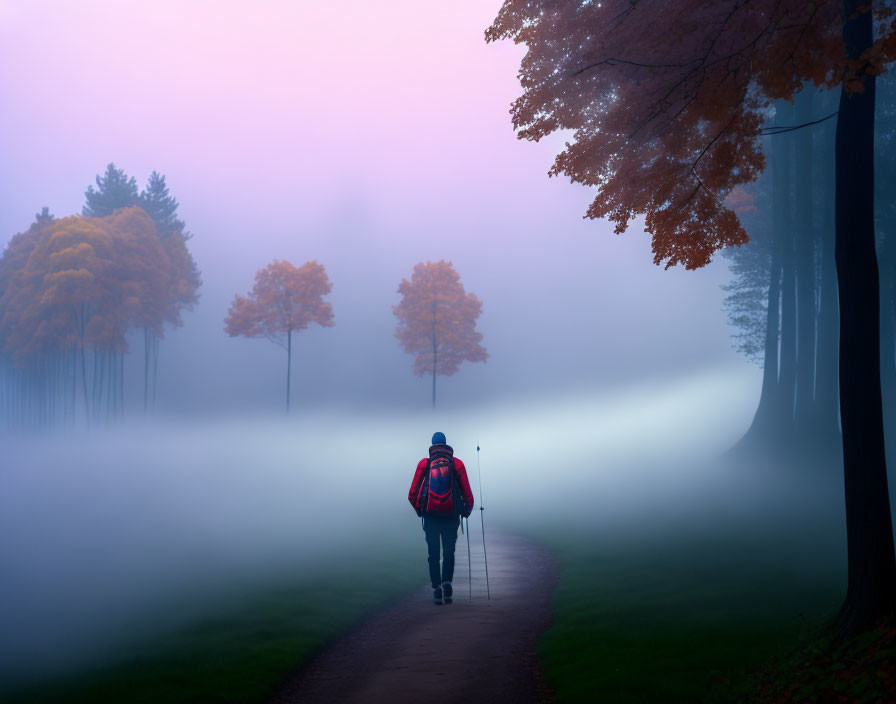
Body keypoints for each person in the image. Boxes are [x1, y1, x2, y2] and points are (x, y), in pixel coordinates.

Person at [407, 431, 475, 605]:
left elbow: (412, 494)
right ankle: (447, 584)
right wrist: (466, 511)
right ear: (446, 444)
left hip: (430, 516)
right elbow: (468, 494)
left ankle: (437, 589)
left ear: (432, 445)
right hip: (451, 516)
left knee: (433, 553)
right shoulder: (457, 463)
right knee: (449, 552)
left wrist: (420, 510)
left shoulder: (425, 463)